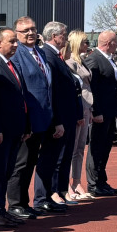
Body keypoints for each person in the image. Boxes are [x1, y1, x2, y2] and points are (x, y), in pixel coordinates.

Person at [7, 16, 62, 219]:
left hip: (44, 116)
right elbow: (20, 89)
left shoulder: (40, 52)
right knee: (21, 163)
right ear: (17, 34)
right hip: (28, 119)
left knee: (31, 162)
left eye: (33, 29)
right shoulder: (17, 54)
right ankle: (15, 204)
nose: (30, 33)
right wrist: (25, 120)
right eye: (25, 31)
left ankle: (25, 202)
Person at [0, 28, 29, 228]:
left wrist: (25, 125)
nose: (16, 45)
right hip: (1, 130)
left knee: (8, 170)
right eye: (12, 41)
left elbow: (20, 97)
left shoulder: (11, 64)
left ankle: (1, 210)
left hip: (15, 128)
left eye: (16, 41)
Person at [38, 21, 82, 210]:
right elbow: (53, 90)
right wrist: (57, 119)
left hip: (68, 115)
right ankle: (51, 193)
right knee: (55, 157)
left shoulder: (57, 56)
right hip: (59, 117)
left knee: (64, 156)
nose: (66, 38)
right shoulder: (48, 55)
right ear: (54, 36)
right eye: (64, 34)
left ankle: (61, 190)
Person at [84, 31, 117, 197]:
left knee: (106, 147)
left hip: (110, 110)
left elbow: (113, 87)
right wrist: (96, 111)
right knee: (96, 147)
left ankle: (102, 181)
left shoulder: (109, 59)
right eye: (116, 42)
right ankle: (93, 184)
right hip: (100, 112)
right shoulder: (94, 59)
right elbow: (92, 88)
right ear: (109, 43)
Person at [65, 31, 93, 200]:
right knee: (72, 147)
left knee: (80, 147)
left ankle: (76, 181)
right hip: (77, 107)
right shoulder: (69, 62)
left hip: (87, 106)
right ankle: (67, 185)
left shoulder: (82, 61)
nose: (87, 45)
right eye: (85, 42)